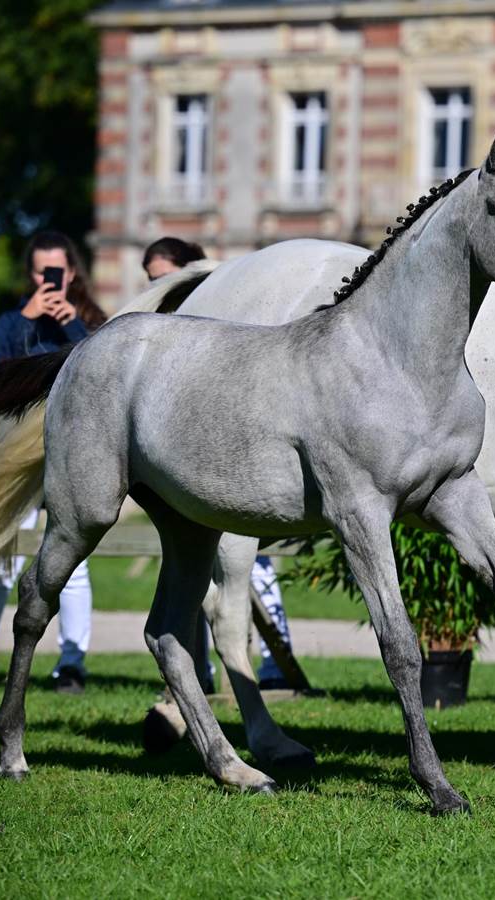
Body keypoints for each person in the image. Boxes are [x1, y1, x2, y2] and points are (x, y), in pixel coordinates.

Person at [0, 230, 106, 697]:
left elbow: (102, 377)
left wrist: (72, 326)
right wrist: (26, 321)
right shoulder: (10, 321)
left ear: (72, 273)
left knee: (72, 568)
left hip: (70, 457)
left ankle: (71, 666)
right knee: (0, 560)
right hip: (16, 459)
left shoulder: (91, 323)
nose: (49, 280)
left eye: (56, 271)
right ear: (30, 274)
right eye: (41, 272)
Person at [141, 237, 293, 689]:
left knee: (251, 571)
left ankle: (273, 665)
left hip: (242, 467)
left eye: (163, 278)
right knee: (195, 575)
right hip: (197, 472)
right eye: (150, 280)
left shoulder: (224, 309)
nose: (156, 288)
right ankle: (202, 673)